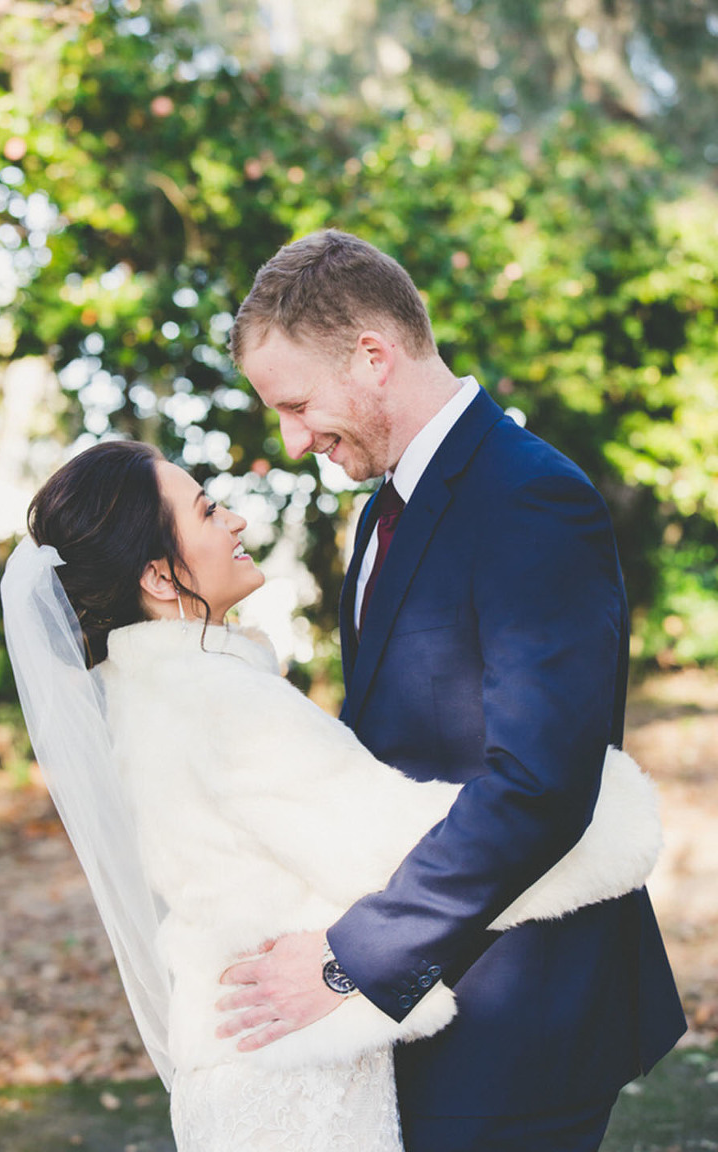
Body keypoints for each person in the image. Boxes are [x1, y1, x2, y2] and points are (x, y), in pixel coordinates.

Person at [0, 441, 663, 1152]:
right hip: (295, 1077)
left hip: (242, 1059)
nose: (236, 523)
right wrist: (606, 810)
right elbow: (392, 848)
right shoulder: (220, 702)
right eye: (207, 510)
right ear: (161, 575)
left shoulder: (139, 696)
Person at [224, 229, 687, 1152]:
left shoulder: (528, 498)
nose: (295, 437)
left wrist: (351, 959)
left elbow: (541, 784)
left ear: (372, 356)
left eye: (299, 404)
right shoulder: (379, 518)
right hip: (436, 1000)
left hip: (523, 1009)